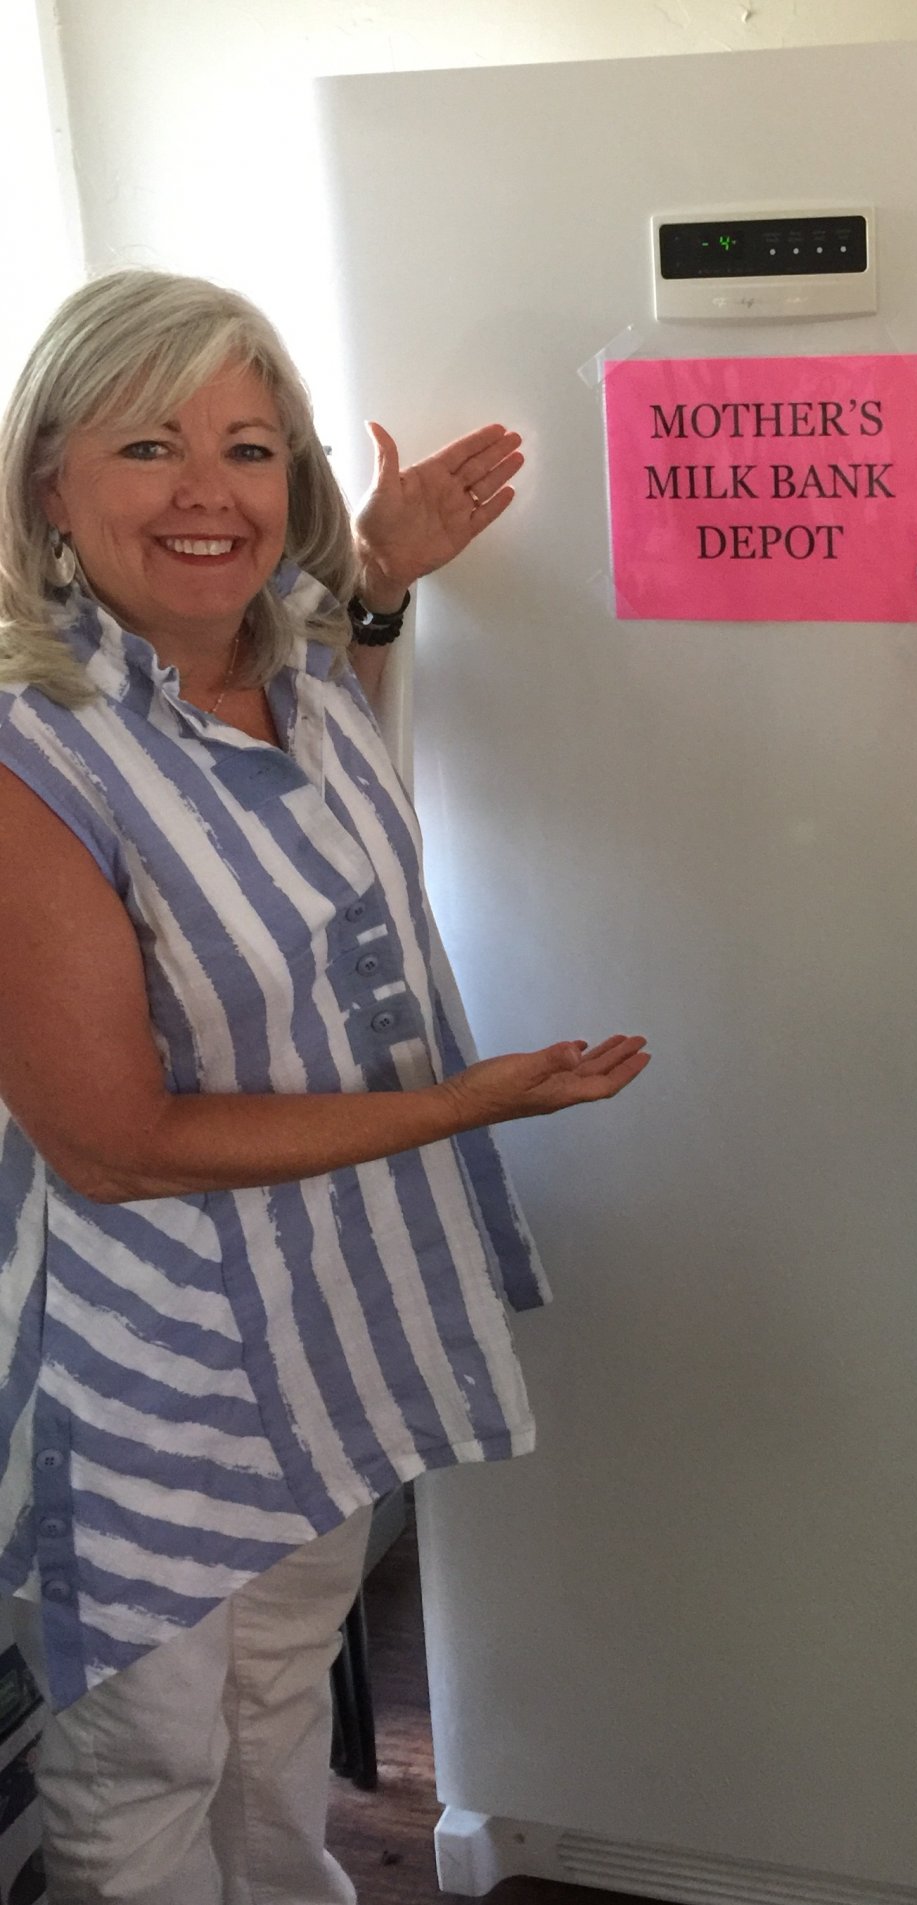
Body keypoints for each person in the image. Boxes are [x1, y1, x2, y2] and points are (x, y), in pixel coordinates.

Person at [0, 267, 650, 1903]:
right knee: (146, 1754)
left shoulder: (293, 659)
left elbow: (286, 813)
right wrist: (463, 1100)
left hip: (328, 1310)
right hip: (141, 1360)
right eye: (151, 448)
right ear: (50, 482)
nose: (210, 491)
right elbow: (115, 1141)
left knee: (283, 1682)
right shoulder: (31, 753)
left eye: (248, 444)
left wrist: (379, 579)